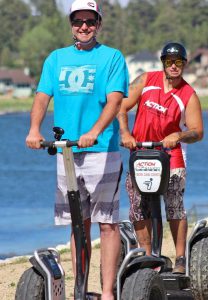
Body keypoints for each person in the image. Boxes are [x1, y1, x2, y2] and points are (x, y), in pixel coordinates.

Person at [25, 0, 129, 299]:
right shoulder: (56, 59)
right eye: (78, 21)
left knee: (107, 224)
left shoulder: (111, 57)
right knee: (78, 225)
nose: (84, 27)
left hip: (102, 151)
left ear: (99, 23)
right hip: (65, 153)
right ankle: (80, 289)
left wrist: (94, 131)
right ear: (71, 24)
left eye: (90, 21)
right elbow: (43, 97)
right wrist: (34, 130)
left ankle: (107, 292)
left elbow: (114, 100)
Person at [118, 42, 204, 274]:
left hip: (171, 156)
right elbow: (121, 107)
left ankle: (180, 258)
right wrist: (126, 133)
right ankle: (147, 256)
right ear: (163, 63)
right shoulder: (146, 80)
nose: (173, 66)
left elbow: (198, 131)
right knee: (137, 206)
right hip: (141, 153)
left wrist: (179, 134)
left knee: (174, 206)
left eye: (178, 62)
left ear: (185, 64)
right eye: (169, 61)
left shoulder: (188, 95)